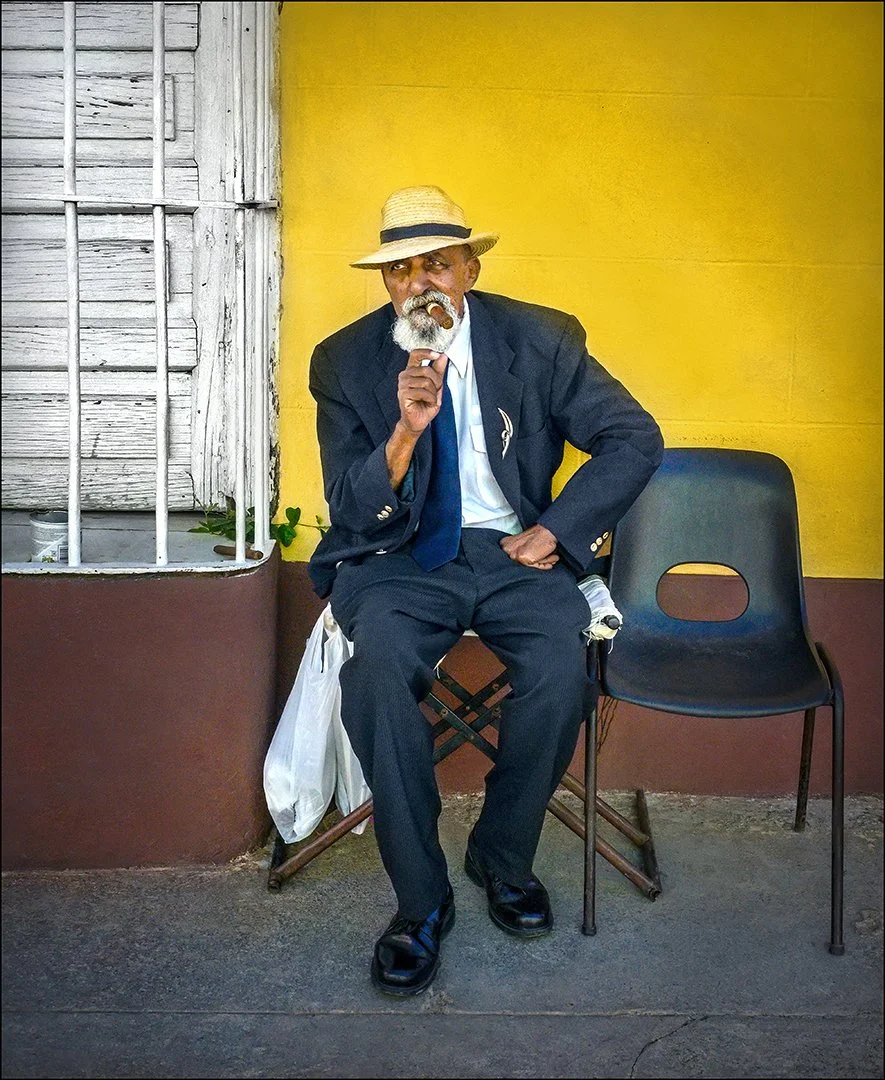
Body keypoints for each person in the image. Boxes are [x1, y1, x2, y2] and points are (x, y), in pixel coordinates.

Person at [308, 185, 663, 996]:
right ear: (387, 284)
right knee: (374, 676)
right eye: (400, 270)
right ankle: (420, 901)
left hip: (514, 552)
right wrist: (405, 430)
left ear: (469, 267)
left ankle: (502, 857)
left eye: (438, 262)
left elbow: (630, 437)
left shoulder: (539, 339)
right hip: (398, 556)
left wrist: (559, 530)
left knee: (557, 673)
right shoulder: (345, 359)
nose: (420, 283)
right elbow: (352, 507)